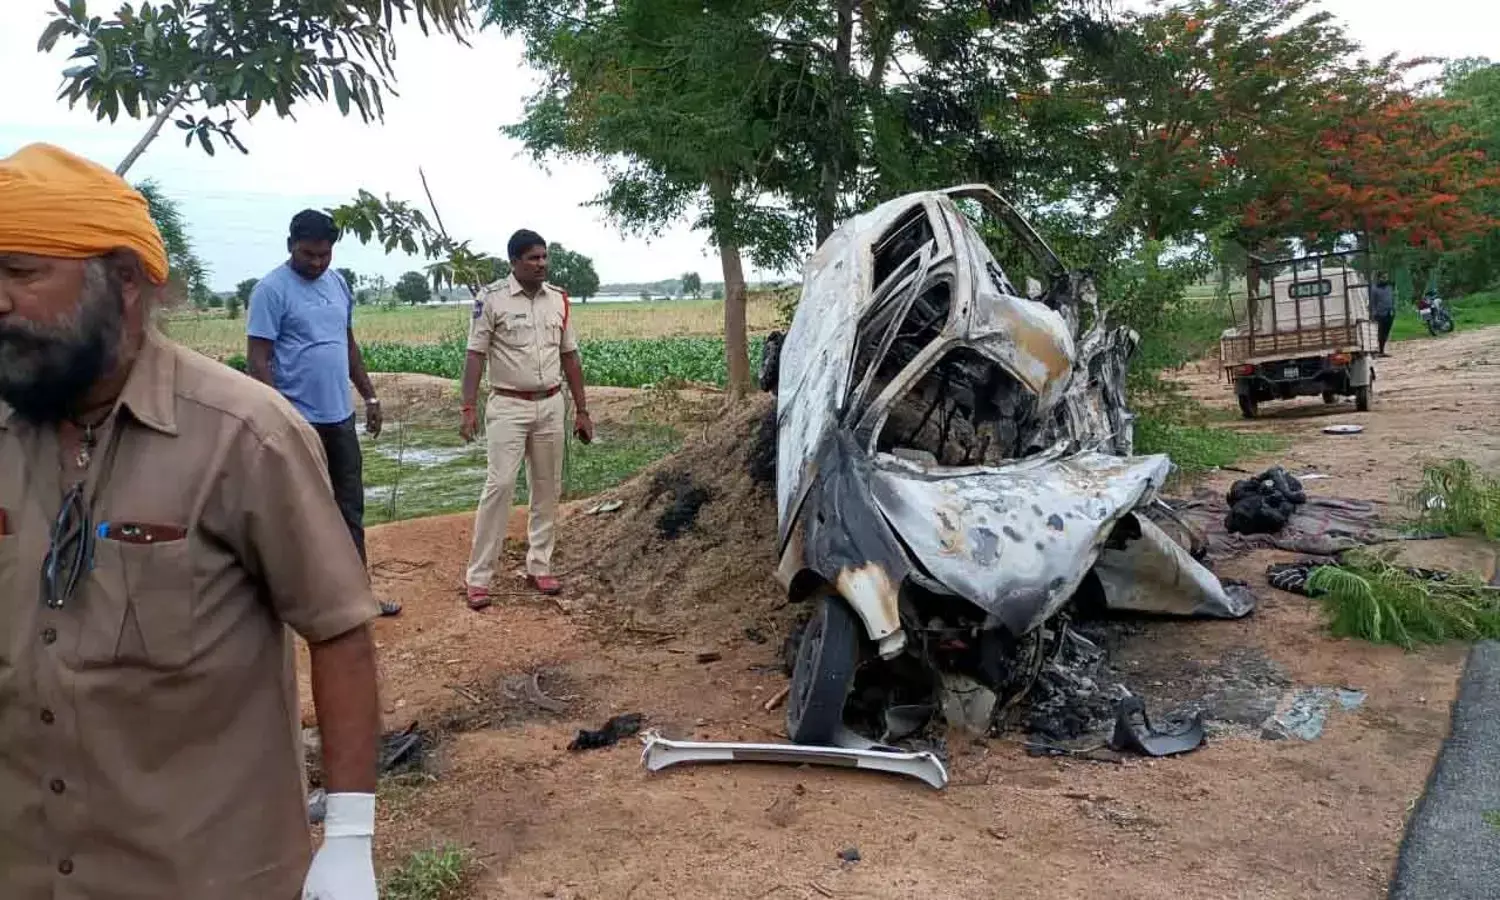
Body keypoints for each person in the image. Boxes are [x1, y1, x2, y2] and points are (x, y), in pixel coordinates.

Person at [0, 143, 383, 898]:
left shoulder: (245, 436)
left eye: (21, 272)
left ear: (124, 280)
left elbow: (339, 630)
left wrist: (348, 838)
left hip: (204, 871)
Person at [247, 209, 399, 616]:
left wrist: (369, 397)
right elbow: (258, 360)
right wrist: (278, 418)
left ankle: (359, 597)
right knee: (299, 513)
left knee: (350, 509)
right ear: (290, 246)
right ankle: (300, 604)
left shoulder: (338, 283)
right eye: (308, 254)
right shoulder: (270, 291)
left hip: (340, 418)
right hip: (297, 421)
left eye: (324, 254)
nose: (317, 263)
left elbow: (347, 344)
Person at [461, 229, 593, 609]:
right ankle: (479, 577)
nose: (541, 264)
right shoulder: (491, 299)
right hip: (508, 406)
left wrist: (582, 410)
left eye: (544, 257)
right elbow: (475, 355)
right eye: (533, 258)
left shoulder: (559, 300)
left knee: (547, 487)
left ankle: (540, 566)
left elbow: (570, 356)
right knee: (500, 485)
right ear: (514, 262)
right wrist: (468, 408)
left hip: (551, 404)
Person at [1370, 272, 1396, 356]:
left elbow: (1392, 299)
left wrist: (1393, 309)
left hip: (1389, 313)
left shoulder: (1389, 287)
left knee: (1386, 332)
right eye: (1383, 277)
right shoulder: (1374, 289)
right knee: (1379, 332)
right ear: (1379, 278)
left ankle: (1382, 351)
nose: (1385, 279)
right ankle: (1376, 350)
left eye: (1386, 277)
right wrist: (1374, 313)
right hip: (1380, 314)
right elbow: (1373, 302)